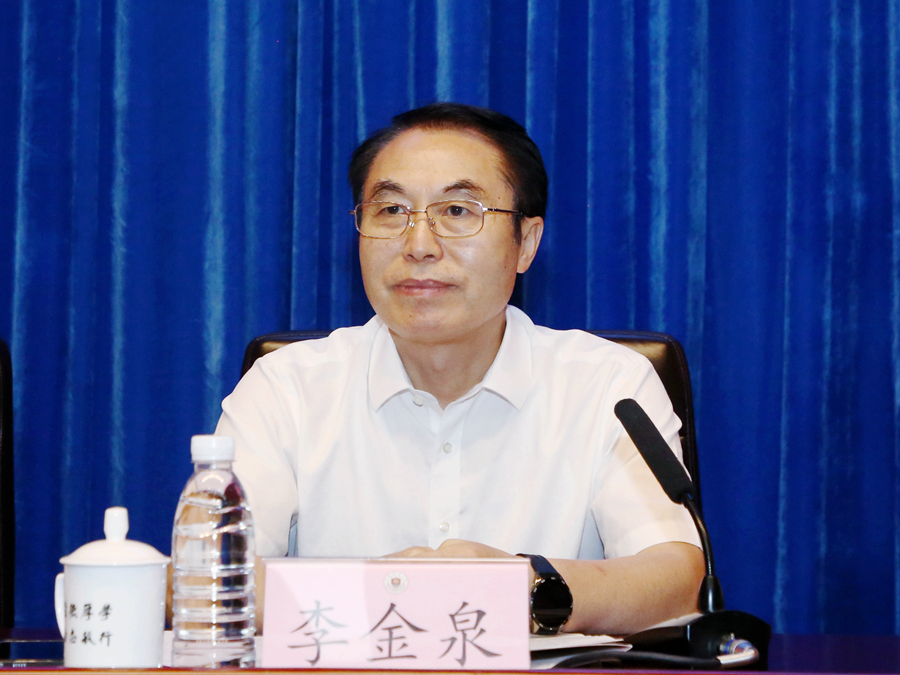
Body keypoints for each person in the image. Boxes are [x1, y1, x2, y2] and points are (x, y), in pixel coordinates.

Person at [216, 102, 704, 636]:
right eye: (391, 210)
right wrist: (385, 593)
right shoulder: (285, 388)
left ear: (526, 243)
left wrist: (525, 588)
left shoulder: (609, 386)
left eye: (457, 211)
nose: (419, 245)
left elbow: (673, 578)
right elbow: (206, 581)